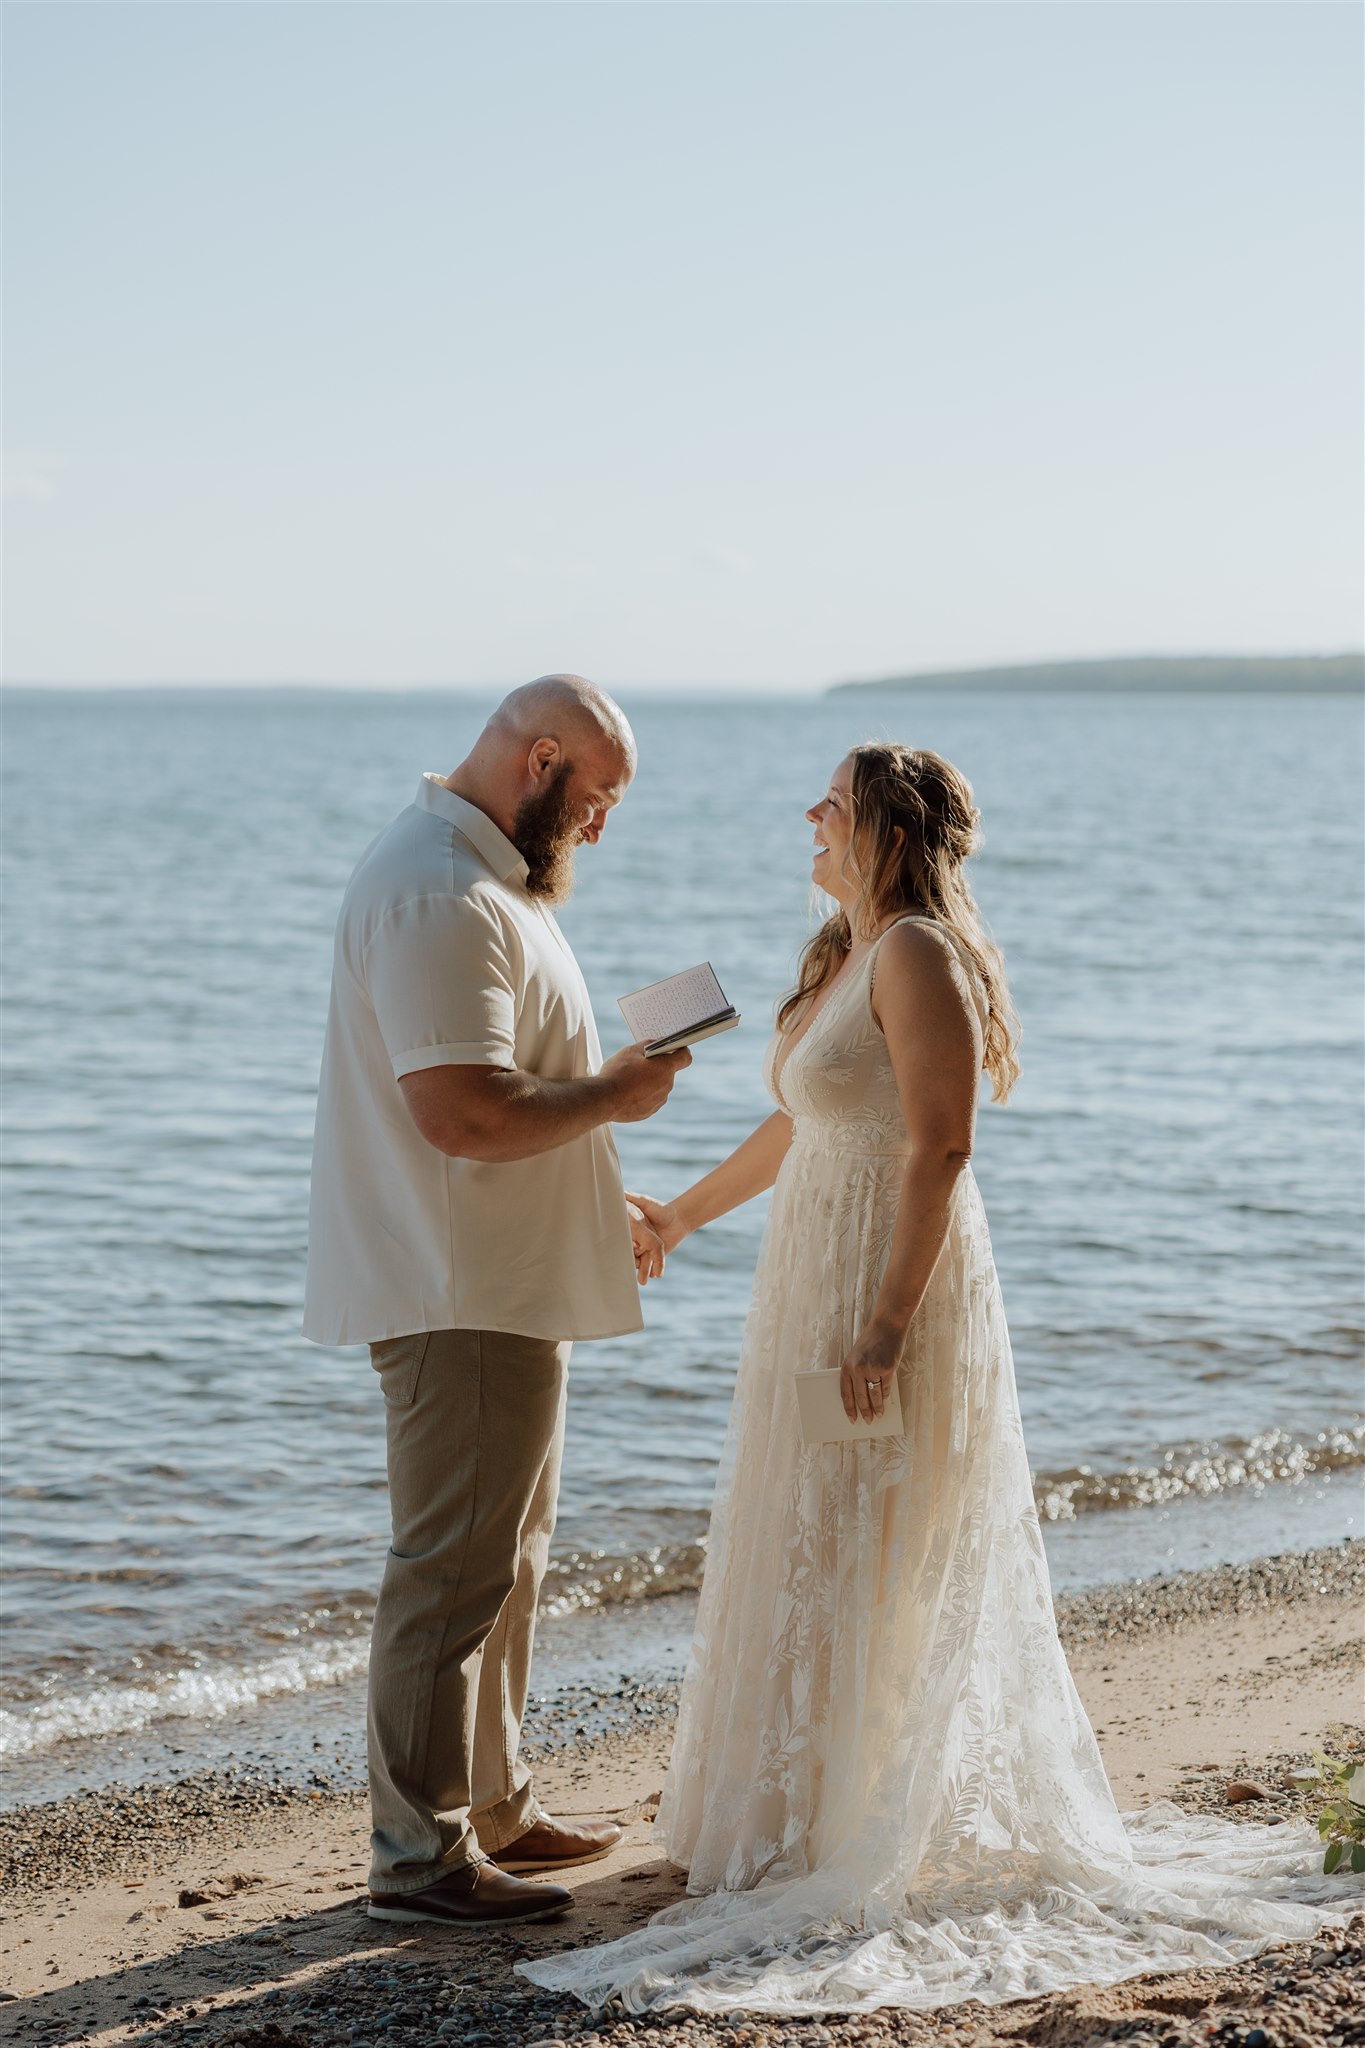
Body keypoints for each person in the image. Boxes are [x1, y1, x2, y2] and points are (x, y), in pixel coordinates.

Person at [521, 742, 1350, 2014]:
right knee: (813, 1524)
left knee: (874, 1530)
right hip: (813, 1270)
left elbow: (941, 1140)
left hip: (884, 1282)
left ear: (887, 831)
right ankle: (796, 1806)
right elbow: (804, 1121)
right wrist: (677, 1218)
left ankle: (853, 1818)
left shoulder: (913, 950)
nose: (809, 814)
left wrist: (889, 1323)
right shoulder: (844, 956)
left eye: (834, 805)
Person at [304, 675, 688, 1929]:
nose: (598, 828)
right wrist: (622, 1099)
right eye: (598, 799)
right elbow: (461, 1112)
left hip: (505, 1278)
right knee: (451, 1572)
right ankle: (416, 1859)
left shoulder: (485, 882)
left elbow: (516, 1087)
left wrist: (605, 1185)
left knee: (506, 1566)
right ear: (541, 760)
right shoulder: (439, 891)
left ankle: (495, 1805)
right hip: (453, 1285)